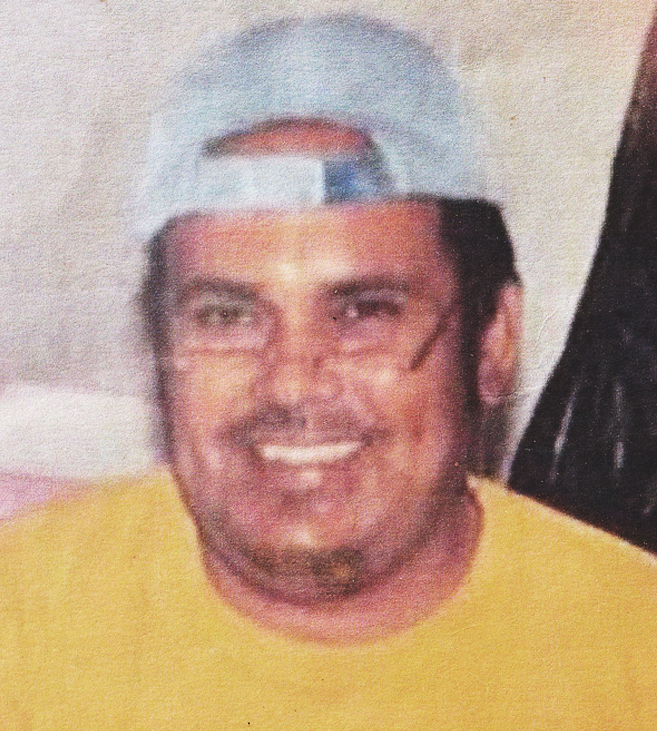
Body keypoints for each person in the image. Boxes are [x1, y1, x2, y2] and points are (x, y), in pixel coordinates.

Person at [1, 15, 656, 729]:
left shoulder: (630, 656)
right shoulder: (24, 624)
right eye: (226, 316)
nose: (291, 383)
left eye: (364, 312)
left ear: (492, 342)